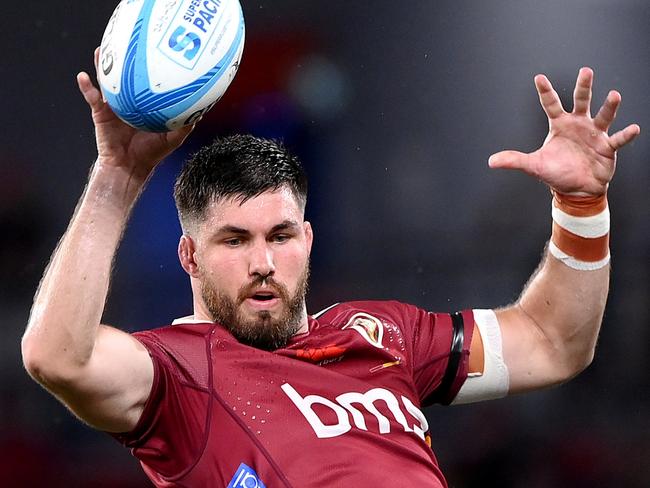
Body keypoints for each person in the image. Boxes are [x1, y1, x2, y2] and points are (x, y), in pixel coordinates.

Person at [21, 55, 639, 487]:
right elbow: (57, 358)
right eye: (234, 241)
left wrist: (581, 208)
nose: (263, 263)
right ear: (189, 256)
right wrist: (117, 176)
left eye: (281, 236)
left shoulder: (383, 334)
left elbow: (555, 343)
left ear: (308, 240)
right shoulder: (178, 373)